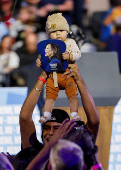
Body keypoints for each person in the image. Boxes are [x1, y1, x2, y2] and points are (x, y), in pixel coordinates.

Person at [20, 63, 99, 169]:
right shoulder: (35, 152)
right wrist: (42, 79)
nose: (50, 132)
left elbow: (94, 122)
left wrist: (78, 80)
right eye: (46, 128)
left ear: (68, 130)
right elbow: (25, 117)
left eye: (57, 128)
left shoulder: (77, 152)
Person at [36, 13, 81, 123]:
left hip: (67, 74)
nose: (58, 34)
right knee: (50, 97)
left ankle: (74, 113)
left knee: (73, 95)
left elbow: (78, 54)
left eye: (61, 31)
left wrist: (70, 56)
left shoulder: (70, 42)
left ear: (67, 32)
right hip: (52, 75)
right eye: (54, 32)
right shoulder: (48, 44)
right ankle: (47, 114)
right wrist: (39, 61)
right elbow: (42, 56)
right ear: (48, 34)